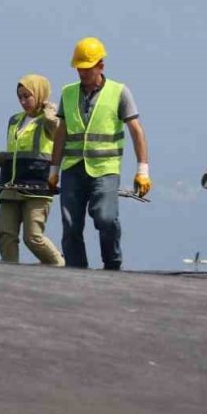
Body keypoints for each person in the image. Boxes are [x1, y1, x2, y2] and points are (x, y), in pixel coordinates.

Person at [49, 37, 149, 270]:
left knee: (105, 218)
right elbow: (61, 133)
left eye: (87, 68)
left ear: (100, 66)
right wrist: (53, 169)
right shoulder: (68, 93)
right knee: (70, 224)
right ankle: (76, 270)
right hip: (73, 168)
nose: (82, 73)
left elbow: (136, 130)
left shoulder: (119, 92)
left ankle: (112, 262)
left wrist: (142, 170)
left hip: (105, 169)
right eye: (79, 68)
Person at [0, 75, 65, 266]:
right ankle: (10, 272)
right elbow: (12, 155)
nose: (23, 101)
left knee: (33, 237)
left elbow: (57, 130)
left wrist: (50, 110)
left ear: (40, 95)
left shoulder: (49, 120)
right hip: (11, 186)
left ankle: (59, 264)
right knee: (6, 234)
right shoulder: (15, 120)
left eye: (28, 96)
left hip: (38, 187)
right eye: (20, 97)